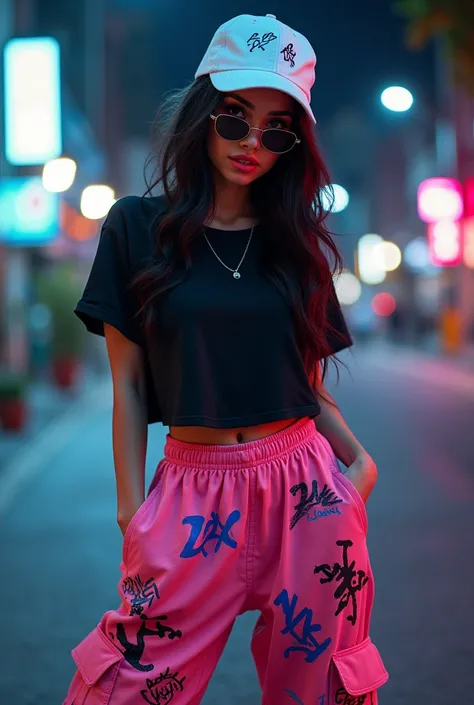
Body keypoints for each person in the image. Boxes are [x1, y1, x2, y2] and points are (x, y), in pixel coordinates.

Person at [63, 13, 388, 705]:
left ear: (292, 144)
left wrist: (358, 464)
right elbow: (126, 381)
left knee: (324, 690)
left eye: (276, 129)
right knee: (125, 685)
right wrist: (131, 512)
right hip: (191, 496)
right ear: (205, 109)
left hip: (306, 490)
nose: (251, 143)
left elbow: (306, 384)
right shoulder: (135, 228)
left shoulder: (296, 246)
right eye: (236, 117)